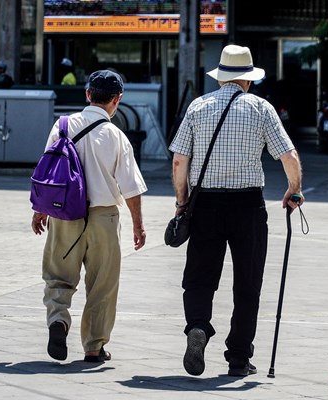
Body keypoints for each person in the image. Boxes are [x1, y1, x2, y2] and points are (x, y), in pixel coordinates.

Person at [169, 44, 304, 377]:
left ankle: (198, 327)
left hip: (205, 204)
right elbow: (288, 156)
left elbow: (178, 160)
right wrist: (293, 190)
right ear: (247, 79)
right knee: (247, 282)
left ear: (221, 77)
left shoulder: (198, 107)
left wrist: (182, 200)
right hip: (248, 206)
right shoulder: (261, 108)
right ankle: (239, 358)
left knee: (200, 277)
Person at [31, 70, 147, 363]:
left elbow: (48, 172)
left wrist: (40, 210)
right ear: (117, 100)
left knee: (58, 275)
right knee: (103, 283)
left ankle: (58, 320)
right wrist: (138, 225)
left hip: (64, 214)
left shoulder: (63, 125)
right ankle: (94, 346)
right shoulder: (117, 136)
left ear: (87, 94)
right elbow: (131, 188)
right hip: (104, 217)